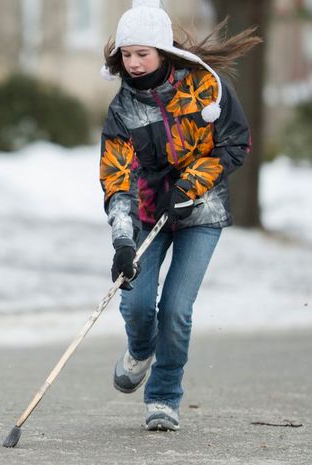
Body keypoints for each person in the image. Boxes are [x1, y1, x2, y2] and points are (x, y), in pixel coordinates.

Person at [99, 0, 261, 431]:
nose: (132, 64)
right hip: (148, 214)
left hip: (201, 212)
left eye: (141, 54)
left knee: (176, 309)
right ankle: (139, 351)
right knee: (135, 304)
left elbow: (235, 145)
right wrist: (122, 240)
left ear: (162, 51)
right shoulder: (122, 110)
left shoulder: (207, 88)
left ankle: (164, 397)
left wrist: (190, 186)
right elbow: (117, 178)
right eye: (126, 55)